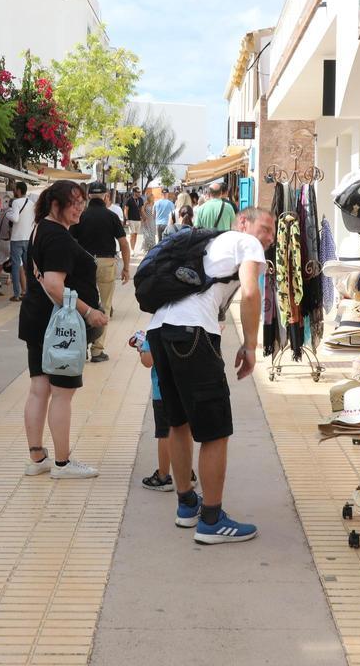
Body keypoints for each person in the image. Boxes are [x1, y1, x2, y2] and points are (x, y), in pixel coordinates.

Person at [147, 207, 275, 544]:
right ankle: (212, 520)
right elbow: (250, 292)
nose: (270, 237)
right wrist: (250, 346)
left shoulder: (210, 246)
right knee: (215, 429)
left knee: (178, 423)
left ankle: (187, 505)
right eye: (266, 228)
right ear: (243, 223)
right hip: (192, 332)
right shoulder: (246, 243)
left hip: (160, 331)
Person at [19, 180, 108, 480]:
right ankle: (62, 463)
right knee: (61, 394)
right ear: (56, 205)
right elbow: (56, 287)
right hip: (59, 328)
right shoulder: (56, 236)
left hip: (37, 319)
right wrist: (90, 311)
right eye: (74, 202)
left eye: (82, 201)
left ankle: (37, 458)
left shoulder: (40, 228)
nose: (80, 207)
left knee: (39, 389)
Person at [71, 182, 130, 363]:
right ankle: (97, 350)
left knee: (83, 305)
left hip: (83, 264)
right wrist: (126, 267)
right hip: (106, 263)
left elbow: (71, 241)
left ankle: (81, 345)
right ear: (106, 196)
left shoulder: (81, 215)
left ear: (88, 196)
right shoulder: (111, 216)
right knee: (104, 306)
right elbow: (123, 243)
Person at [131, 331, 196, 491]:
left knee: (165, 434)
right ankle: (187, 474)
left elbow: (148, 361)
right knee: (184, 431)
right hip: (185, 389)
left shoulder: (155, 329)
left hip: (163, 393)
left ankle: (163, 476)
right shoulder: (188, 325)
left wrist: (141, 349)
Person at [6, 181, 35, 302]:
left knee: (16, 267)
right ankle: (30, 292)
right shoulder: (32, 203)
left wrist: (7, 214)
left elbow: (15, 218)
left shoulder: (16, 202)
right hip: (28, 238)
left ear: (18, 190)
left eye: (15, 189)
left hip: (17, 238)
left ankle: (17, 294)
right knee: (29, 267)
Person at [123, 186, 144, 251]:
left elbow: (142, 210)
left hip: (138, 220)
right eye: (138, 192)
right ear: (134, 192)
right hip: (131, 219)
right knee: (132, 234)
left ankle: (133, 249)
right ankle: (131, 250)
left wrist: (144, 217)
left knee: (135, 234)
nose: (139, 193)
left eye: (140, 192)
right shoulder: (129, 200)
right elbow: (126, 210)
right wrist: (126, 219)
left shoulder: (140, 199)